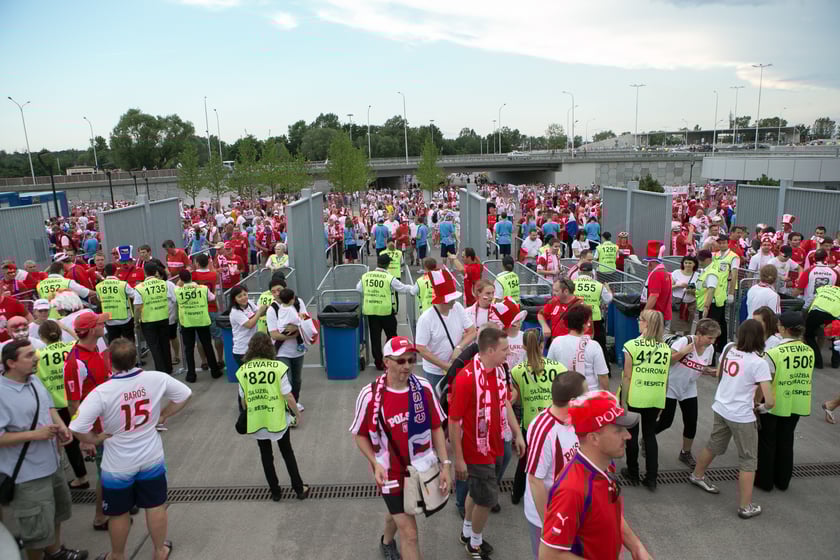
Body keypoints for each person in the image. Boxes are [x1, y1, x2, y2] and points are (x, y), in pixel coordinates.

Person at [69, 338, 191, 560]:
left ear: (110, 363)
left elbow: (77, 426)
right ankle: (159, 550)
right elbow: (184, 395)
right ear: (135, 358)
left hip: (118, 462)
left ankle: (117, 555)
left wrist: (94, 439)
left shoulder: (102, 392)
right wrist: (163, 415)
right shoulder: (157, 379)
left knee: (118, 513)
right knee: (155, 505)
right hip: (150, 455)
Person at [350, 336, 449, 560]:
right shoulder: (370, 395)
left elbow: (436, 428)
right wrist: (374, 463)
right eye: (400, 361)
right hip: (390, 473)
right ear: (386, 362)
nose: (407, 366)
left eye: (411, 360)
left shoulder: (423, 388)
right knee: (410, 534)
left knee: (397, 514)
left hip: (422, 468)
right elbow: (360, 435)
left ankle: (386, 541)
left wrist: (446, 465)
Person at [0, 339, 89, 560]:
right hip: (27, 476)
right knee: (36, 529)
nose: (36, 358)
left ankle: (56, 552)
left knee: (57, 513)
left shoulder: (34, 381)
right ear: (11, 362)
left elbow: (48, 406)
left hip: (52, 464)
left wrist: (61, 426)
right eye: (29, 355)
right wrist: (36, 435)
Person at [539, 391, 648, 560]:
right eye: (618, 430)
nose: (628, 435)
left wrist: (636, 546)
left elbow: (610, 515)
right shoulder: (571, 490)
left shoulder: (606, 465)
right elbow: (549, 555)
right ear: (594, 438)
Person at [449, 327, 525, 559]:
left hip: (494, 443)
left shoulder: (499, 371)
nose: (508, 354)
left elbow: (505, 404)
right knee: (486, 500)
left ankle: (467, 533)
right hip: (476, 450)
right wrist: (459, 459)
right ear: (490, 350)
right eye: (504, 350)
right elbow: (453, 421)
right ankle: (475, 544)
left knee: (477, 493)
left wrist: (517, 434)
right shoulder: (466, 379)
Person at [689, 319, 775, 519]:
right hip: (742, 415)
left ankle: (697, 474)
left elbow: (720, 373)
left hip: (721, 406)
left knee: (714, 444)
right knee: (748, 459)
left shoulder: (729, 348)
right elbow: (770, 401)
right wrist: (762, 408)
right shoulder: (758, 362)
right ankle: (746, 506)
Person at [235, 332, 309, 502]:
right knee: (287, 453)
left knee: (266, 456)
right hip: (277, 418)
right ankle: (299, 489)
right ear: (269, 347)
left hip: (257, 419)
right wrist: (296, 414)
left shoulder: (243, 371)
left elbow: (244, 398)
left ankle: (275, 492)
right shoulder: (277, 368)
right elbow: (288, 395)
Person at [521, 371, 586, 559]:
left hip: (571, 510)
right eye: (586, 394)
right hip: (550, 516)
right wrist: (547, 524)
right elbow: (534, 480)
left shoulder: (575, 419)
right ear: (573, 400)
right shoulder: (545, 429)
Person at [755, 311, 814, 492]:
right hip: (796, 401)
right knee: (786, 440)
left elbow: (765, 381)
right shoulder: (809, 350)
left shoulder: (774, 353)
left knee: (767, 441)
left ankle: (765, 480)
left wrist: (757, 404)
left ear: (784, 329)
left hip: (774, 402)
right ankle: (783, 479)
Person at [509, 328, 567, 506]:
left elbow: (515, 400)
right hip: (552, 420)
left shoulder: (516, 371)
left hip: (530, 422)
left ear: (524, 347)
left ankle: (517, 494)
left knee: (525, 459)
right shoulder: (558, 368)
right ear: (543, 345)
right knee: (555, 459)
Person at [655, 319, 720, 467]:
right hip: (671, 386)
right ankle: (648, 437)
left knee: (691, 422)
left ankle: (685, 452)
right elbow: (667, 361)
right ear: (698, 334)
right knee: (666, 421)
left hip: (689, 387)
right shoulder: (685, 341)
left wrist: (709, 371)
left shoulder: (709, 349)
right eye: (710, 337)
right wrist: (683, 352)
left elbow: (700, 366)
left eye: (715, 338)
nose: (712, 341)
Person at [619, 309, 670, 491]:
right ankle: (651, 478)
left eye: (640, 320)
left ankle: (633, 472)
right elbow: (666, 376)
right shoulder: (665, 348)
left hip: (636, 394)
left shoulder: (631, 346)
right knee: (650, 436)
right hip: (656, 395)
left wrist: (623, 401)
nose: (638, 322)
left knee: (631, 435)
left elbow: (627, 376)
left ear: (646, 324)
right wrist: (662, 399)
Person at [36, 320, 88, 490]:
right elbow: (82, 341)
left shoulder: (38, 355)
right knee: (88, 430)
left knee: (70, 442)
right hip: (78, 399)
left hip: (57, 405)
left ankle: (81, 477)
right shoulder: (73, 347)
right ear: (59, 333)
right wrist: (67, 328)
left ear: (42, 338)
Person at [415, 267, 476, 391]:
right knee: (436, 403)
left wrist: (458, 348)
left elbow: (472, 331)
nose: (454, 301)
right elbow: (420, 348)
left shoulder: (457, 307)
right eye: (451, 299)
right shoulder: (426, 319)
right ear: (441, 301)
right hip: (434, 373)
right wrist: (445, 366)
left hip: (456, 367)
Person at [357, 253, 418, 371]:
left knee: (375, 338)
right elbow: (402, 288)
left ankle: (379, 363)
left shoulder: (366, 276)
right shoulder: (388, 277)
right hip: (385, 311)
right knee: (392, 335)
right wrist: (414, 288)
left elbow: (358, 289)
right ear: (388, 265)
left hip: (371, 311)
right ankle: (390, 357)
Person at [547, 304, 609, 391]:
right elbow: (602, 375)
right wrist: (607, 395)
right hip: (589, 393)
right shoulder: (593, 345)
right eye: (588, 322)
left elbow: (550, 367)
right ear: (584, 325)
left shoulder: (556, 342)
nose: (589, 324)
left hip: (564, 391)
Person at [175, 270, 223, 382]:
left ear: (181, 280)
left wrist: (180, 282)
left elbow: (177, 287)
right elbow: (212, 298)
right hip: (202, 320)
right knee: (208, 345)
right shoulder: (203, 288)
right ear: (191, 277)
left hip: (187, 322)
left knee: (189, 349)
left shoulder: (178, 290)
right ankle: (215, 371)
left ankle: (191, 375)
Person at [267, 288, 309, 416]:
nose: (277, 293)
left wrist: (297, 326)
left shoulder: (295, 304)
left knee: (297, 380)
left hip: (297, 351)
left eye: (279, 290)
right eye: (273, 291)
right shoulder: (274, 309)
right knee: (287, 380)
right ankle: (288, 407)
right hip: (282, 352)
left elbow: (305, 318)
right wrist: (296, 329)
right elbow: (275, 335)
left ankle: (294, 402)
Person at [134, 261, 176, 374]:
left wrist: (136, 322)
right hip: (163, 317)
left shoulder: (139, 287)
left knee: (154, 346)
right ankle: (169, 368)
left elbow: (137, 307)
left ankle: (161, 371)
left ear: (145, 272)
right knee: (165, 344)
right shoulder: (164, 284)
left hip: (148, 320)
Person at [96, 263, 137, 344]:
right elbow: (135, 296)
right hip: (125, 318)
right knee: (129, 343)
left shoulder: (99, 286)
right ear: (116, 272)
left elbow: (99, 298)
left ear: (105, 272)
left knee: (113, 343)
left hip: (109, 319)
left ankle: (115, 356)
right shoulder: (123, 284)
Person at [228, 285, 267, 368]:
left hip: (254, 347)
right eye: (239, 296)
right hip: (242, 350)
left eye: (245, 294)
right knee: (247, 377)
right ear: (234, 299)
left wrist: (267, 308)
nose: (243, 298)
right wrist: (260, 311)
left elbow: (259, 313)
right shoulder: (235, 312)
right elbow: (249, 324)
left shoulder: (249, 303)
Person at [804, 284, 840, 369]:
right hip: (836, 314)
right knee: (836, 338)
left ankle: (818, 362)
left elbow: (811, 301)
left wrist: (805, 313)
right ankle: (835, 363)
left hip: (818, 311)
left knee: (808, 335)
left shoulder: (823, 288)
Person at [641, 241, 673, 330]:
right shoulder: (664, 272)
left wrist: (644, 313)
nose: (647, 265)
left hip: (656, 317)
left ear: (651, 263)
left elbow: (654, 296)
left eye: (647, 262)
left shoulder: (656, 274)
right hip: (664, 314)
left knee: (652, 342)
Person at [670, 256, 699, 336]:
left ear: (694, 264)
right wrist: (679, 285)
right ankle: (670, 342)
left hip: (690, 304)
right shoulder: (676, 273)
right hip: (677, 303)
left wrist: (691, 291)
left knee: (688, 327)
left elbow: (699, 292)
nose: (687, 265)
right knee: (673, 326)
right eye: (685, 263)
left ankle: (686, 342)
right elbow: (669, 287)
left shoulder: (697, 275)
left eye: (690, 263)